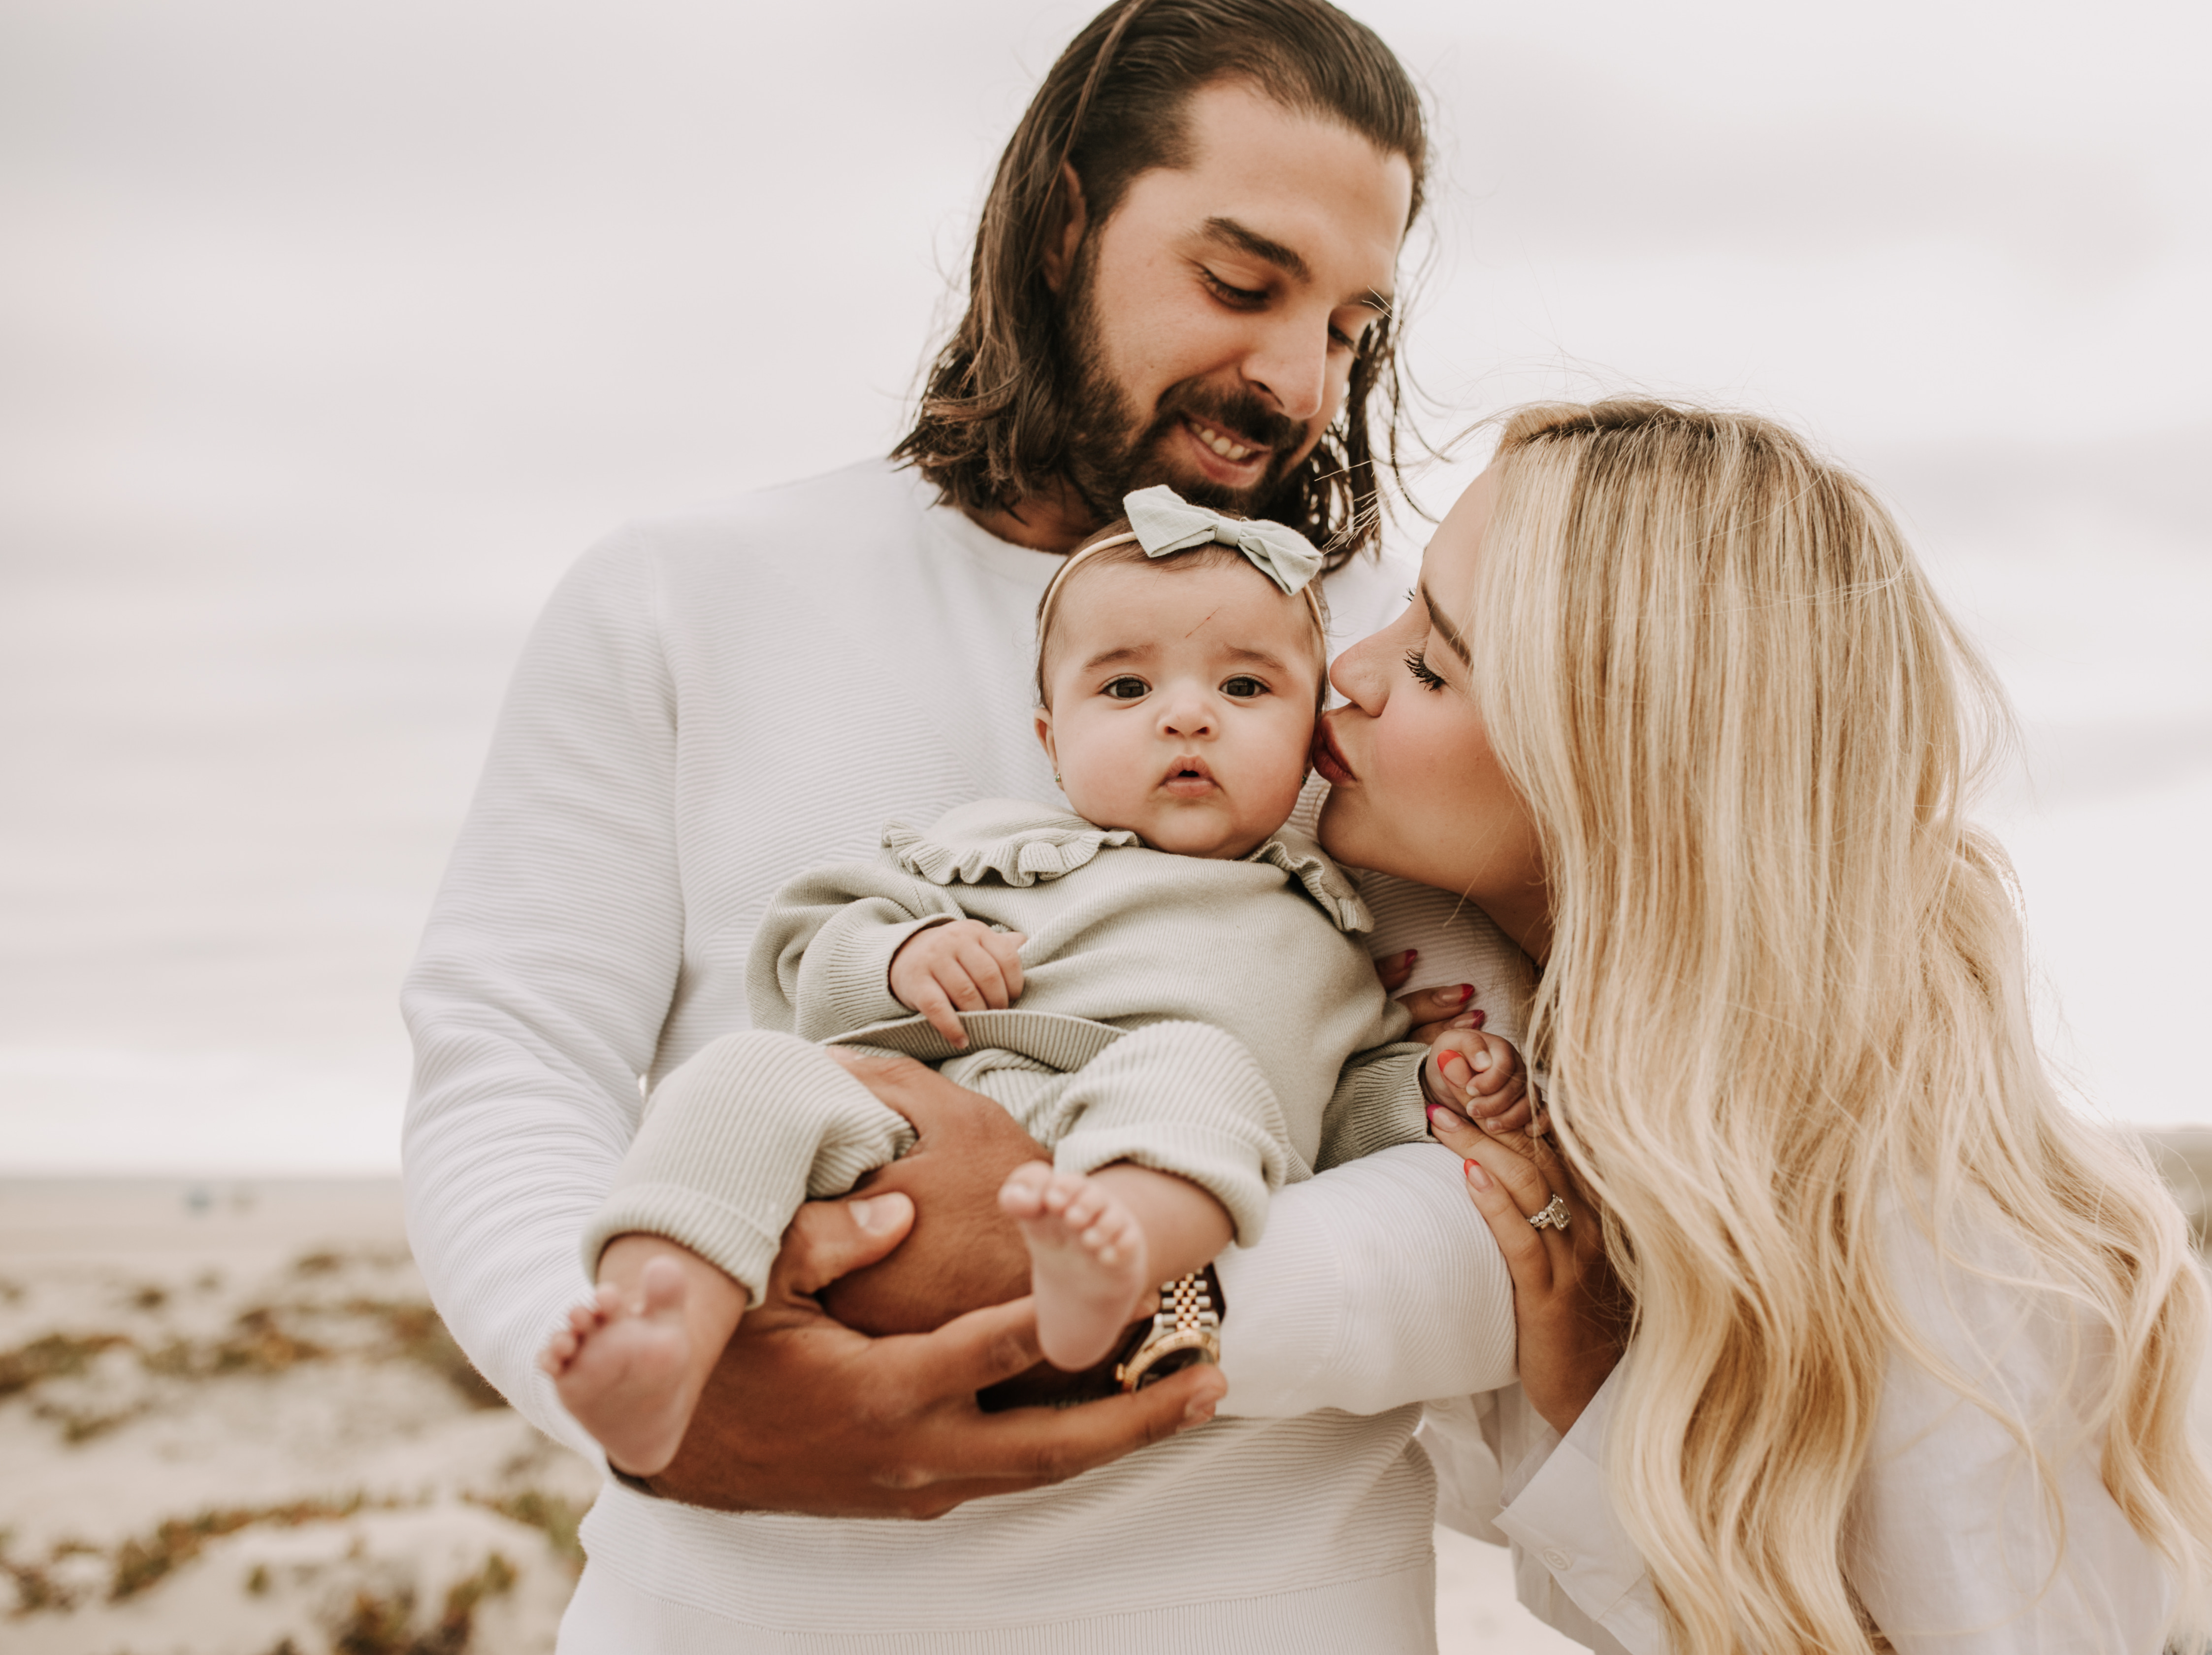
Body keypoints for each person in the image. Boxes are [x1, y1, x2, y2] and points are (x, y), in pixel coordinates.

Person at [403, 2, 1536, 1648]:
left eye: (1354, 327)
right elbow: (509, 1053)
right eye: (1243, 284)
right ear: (1064, 218)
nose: (1298, 381)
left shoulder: (1380, 672)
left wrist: (1112, 1307)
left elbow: (1515, 1181)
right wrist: (654, 1399)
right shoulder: (684, 594)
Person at [1317, 398, 2212, 1653]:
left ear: (1622, 765)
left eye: (1435, 662)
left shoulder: (1919, 1224)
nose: (1350, 667)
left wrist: (1579, 1393)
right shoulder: (1583, 1087)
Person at [539, 493, 1528, 1477]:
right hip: (898, 1120)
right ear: (1052, 743)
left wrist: (1428, 1090)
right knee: (742, 1075)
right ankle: (656, 1319)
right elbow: (805, 956)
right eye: (1130, 690)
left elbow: (1338, 1106)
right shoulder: (989, 848)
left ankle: (1109, 1258)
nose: (1187, 715)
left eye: (1244, 689)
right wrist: (899, 957)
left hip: (1118, 1150)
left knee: (1200, 1067)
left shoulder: (1324, 938)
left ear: (1312, 733)